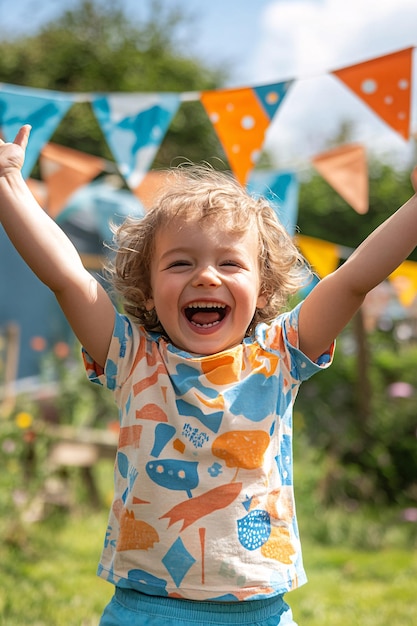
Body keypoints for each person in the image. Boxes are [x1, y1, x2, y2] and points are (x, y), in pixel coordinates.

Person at [1, 125, 417, 626]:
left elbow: (353, 280)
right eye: (180, 262)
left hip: (258, 609)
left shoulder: (281, 355)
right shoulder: (133, 357)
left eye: (229, 263)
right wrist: (9, 185)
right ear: (148, 291)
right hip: (145, 607)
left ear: (263, 290)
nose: (205, 276)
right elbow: (66, 277)